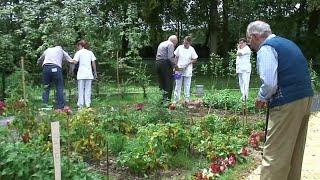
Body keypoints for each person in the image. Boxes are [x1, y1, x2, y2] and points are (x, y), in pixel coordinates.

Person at [246, 20, 313, 180]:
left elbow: (270, 83)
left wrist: (262, 97)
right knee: (295, 151)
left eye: (249, 39)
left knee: (275, 153)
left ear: (255, 37)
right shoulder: (287, 43)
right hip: (305, 98)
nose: (249, 44)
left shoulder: (267, 48)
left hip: (287, 102)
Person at [37, 43, 73, 110]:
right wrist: (71, 69)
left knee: (46, 86)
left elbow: (40, 59)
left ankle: (45, 104)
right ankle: (60, 105)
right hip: (56, 68)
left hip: (46, 68)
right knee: (59, 86)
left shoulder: (48, 50)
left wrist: (39, 64)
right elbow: (71, 60)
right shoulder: (61, 50)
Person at [72, 40, 97, 108]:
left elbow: (75, 62)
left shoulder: (78, 53)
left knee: (81, 90)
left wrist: (69, 60)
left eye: (78, 46)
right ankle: (88, 104)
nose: (78, 47)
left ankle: (81, 104)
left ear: (80, 45)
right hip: (89, 74)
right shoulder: (90, 52)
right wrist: (95, 72)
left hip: (81, 74)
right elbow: (93, 63)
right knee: (88, 90)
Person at [173, 36, 198, 104]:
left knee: (187, 85)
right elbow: (176, 57)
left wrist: (188, 63)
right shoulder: (179, 47)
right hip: (178, 69)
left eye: (186, 43)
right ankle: (176, 100)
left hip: (188, 70)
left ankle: (187, 100)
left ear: (190, 43)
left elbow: (195, 59)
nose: (185, 44)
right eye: (184, 42)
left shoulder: (192, 49)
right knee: (178, 85)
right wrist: (175, 66)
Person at [155, 35, 178, 103]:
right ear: (174, 41)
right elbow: (170, 57)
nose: (175, 45)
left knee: (161, 82)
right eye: (176, 43)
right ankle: (167, 102)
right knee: (168, 83)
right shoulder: (170, 44)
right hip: (165, 64)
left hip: (157, 63)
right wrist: (175, 66)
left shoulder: (162, 43)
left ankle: (161, 100)